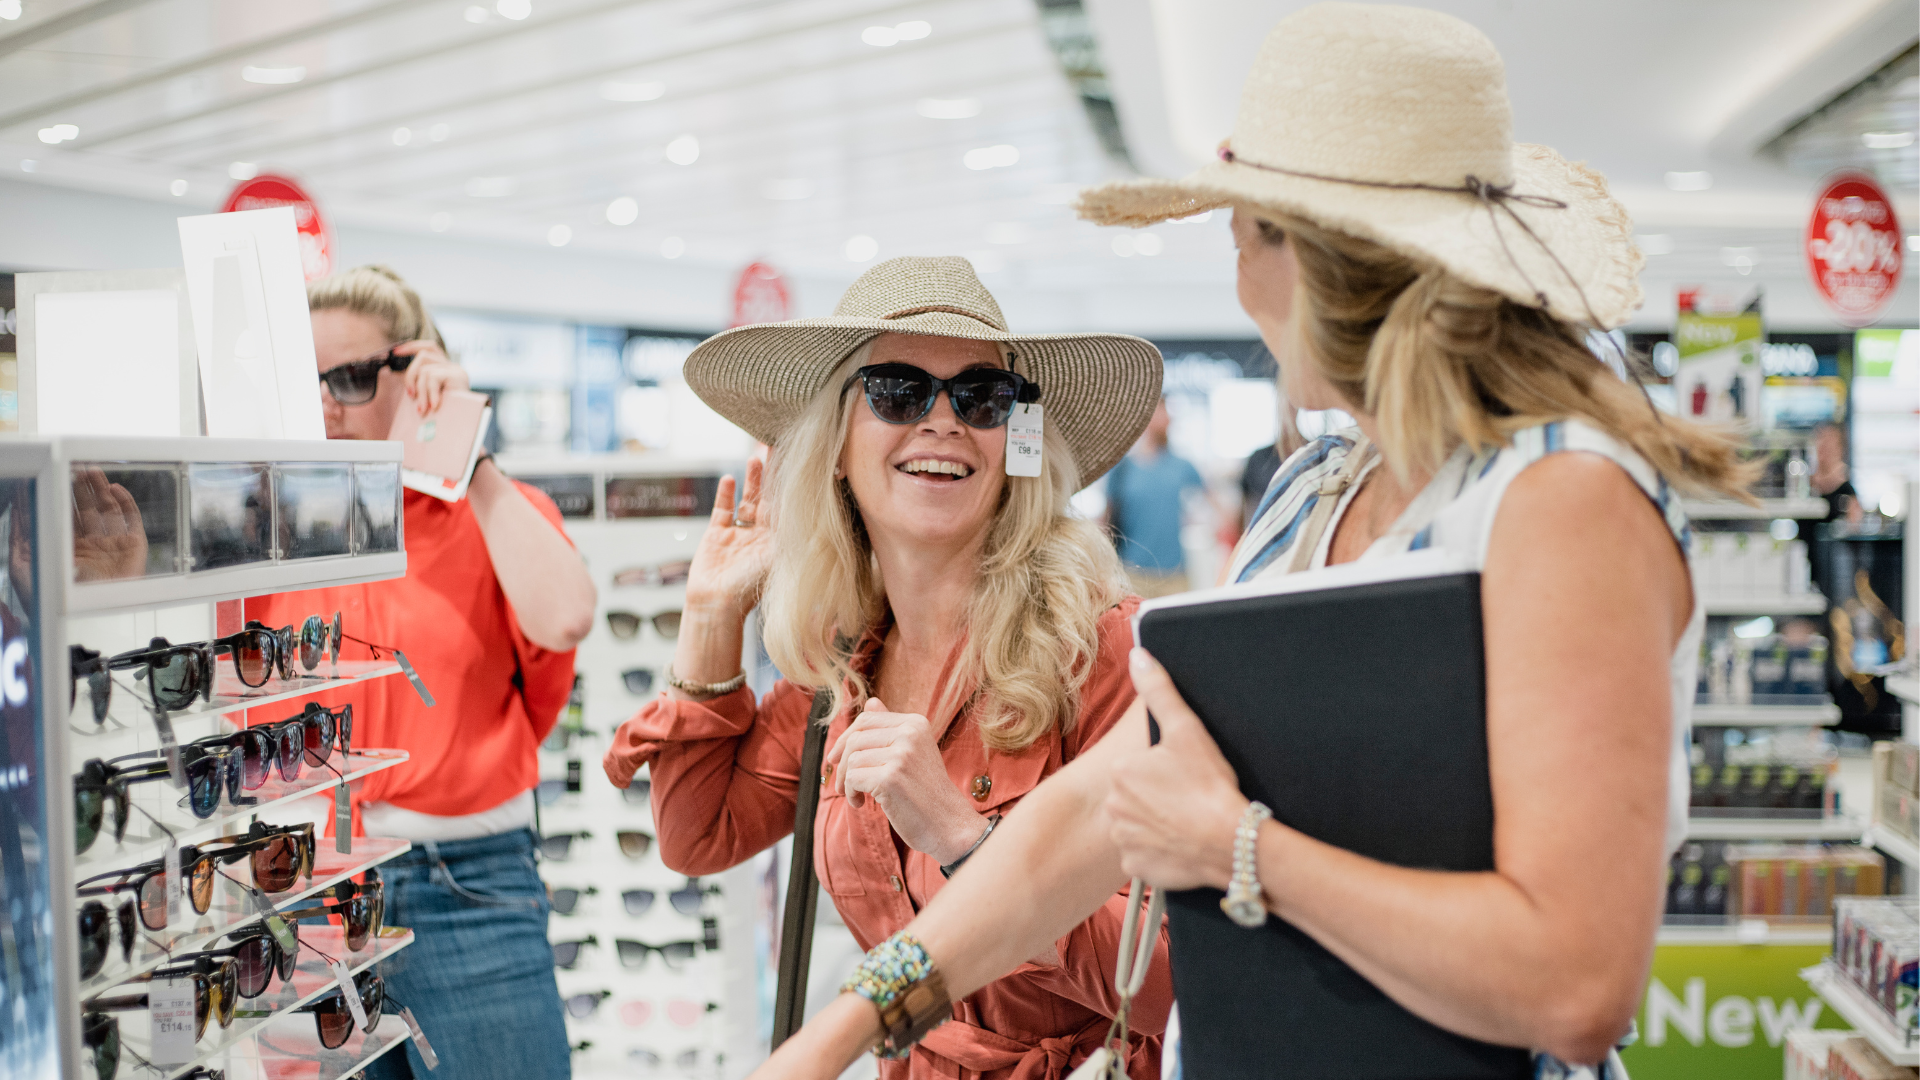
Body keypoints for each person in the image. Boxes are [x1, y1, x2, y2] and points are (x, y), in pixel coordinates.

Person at [750, 6, 1756, 1077]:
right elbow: (1095, 806)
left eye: (1247, 226)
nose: (1235, 265)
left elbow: (1574, 986)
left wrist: (1243, 852)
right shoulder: (1319, 492)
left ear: (1320, 258)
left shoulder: (1561, 500)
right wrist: (854, 1022)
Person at [602, 256, 1173, 1079]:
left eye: (980, 398)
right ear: (836, 443)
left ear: (1015, 442)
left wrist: (967, 842)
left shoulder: (1100, 651)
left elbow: (1168, 982)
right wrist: (710, 616)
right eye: (897, 392)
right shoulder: (843, 665)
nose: (943, 422)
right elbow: (699, 837)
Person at [248, 264, 595, 1080]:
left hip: (464, 884)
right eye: (310, 380)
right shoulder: (266, 528)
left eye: (353, 376)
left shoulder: (482, 508)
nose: (328, 402)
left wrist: (463, 453)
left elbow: (566, 617)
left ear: (417, 371)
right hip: (302, 897)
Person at [1103, 399, 1207, 597]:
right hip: (1133, 574)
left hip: (1175, 575)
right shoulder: (1122, 469)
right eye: (1161, 411)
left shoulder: (1181, 466)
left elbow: (1214, 504)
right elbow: (1107, 520)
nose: (1167, 417)